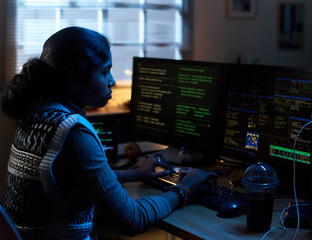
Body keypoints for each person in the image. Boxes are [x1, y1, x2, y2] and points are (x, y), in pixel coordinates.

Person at [1, 26, 214, 240]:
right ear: (75, 80)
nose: (112, 81)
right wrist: (185, 188)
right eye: (104, 71)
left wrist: (133, 174)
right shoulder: (72, 131)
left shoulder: (36, 113)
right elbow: (132, 219)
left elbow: (73, 180)